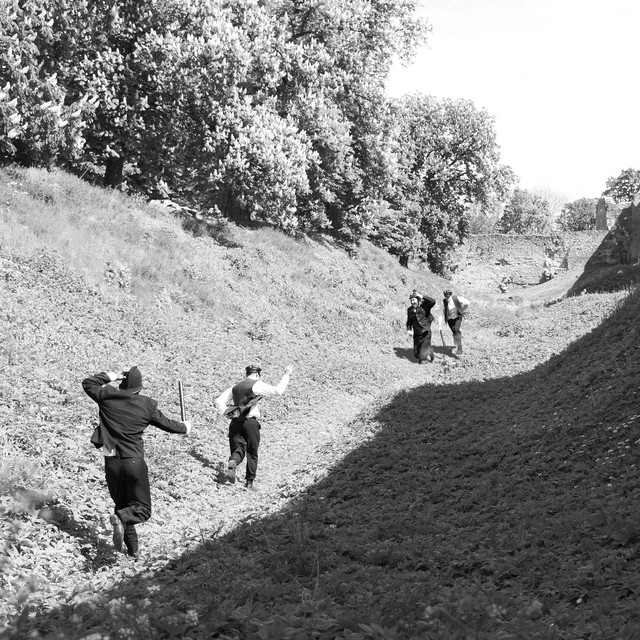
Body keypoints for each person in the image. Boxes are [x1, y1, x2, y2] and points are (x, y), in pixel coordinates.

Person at [82, 366, 191, 557]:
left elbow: (88, 383)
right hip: (134, 462)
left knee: (123, 507)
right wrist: (185, 427)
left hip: (112, 463)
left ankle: (133, 554)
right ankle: (120, 520)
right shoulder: (146, 405)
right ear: (139, 388)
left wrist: (112, 375)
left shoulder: (107, 397)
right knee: (142, 510)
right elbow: (169, 425)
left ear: (122, 385)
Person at [215, 364, 294, 490]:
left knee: (238, 449)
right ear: (257, 374)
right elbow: (278, 391)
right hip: (250, 423)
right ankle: (249, 482)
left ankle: (233, 461)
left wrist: (228, 413)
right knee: (252, 451)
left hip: (235, 422)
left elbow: (219, 401)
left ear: (246, 374)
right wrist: (286, 374)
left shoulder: (235, 386)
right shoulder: (257, 385)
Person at [406, 290, 436, 364]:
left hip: (426, 332)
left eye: (413, 300)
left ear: (418, 300)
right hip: (417, 334)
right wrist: (409, 329)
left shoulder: (425, 306)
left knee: (422, 354)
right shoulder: (410, 310)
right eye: (411, 300)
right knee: (416, 354)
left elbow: (433, 301)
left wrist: (422, 296)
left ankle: (423, 358)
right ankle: (429, 349)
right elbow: (409, 321)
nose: (412, 302)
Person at [442, 289, 470, 355]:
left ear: (450, 295)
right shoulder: (444, 301)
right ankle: (456, 342)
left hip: (457, 317)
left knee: (456, 330)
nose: (447, 298)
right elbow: (444, 309)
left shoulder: (456, 299)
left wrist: (461, 310)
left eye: (448, 296)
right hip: (450, 318)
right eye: (446, 296)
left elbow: (467, 303)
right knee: (454, 331)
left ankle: (460, 349)